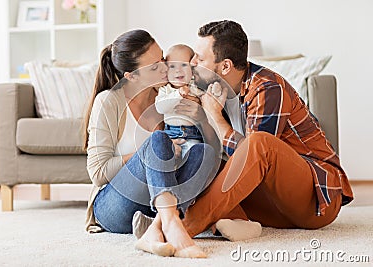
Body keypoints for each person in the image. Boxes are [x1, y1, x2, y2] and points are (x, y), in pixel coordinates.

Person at [177, 20, 354, 239]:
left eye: (199, 58)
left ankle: (182, 228)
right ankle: (238, 223)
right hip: (273, 207)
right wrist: (200, 114)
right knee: (203, 155)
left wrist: (214, 115)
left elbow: (253, 159)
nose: (192, 62)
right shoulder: (211, 91)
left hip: (314, 200)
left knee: (260, 143)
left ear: (225, 66)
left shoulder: (267, 87)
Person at [83, 29, 220, 258]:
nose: (166, 68)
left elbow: (214, 154)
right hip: (114, 208)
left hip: (153, 208)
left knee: (203, 151)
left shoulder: (169, 97)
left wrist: (201, 118)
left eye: (162, 59)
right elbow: (98, 173)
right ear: (132, 76)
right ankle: (172, 225)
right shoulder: (108, 101)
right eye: (155, 66)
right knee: (158, 141)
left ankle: (156, 228)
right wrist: (148, 154)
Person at [155, 44, 209, 157]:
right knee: (165, 156)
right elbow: (160, 107)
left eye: (184, 65)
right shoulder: (166, 90)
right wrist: (177, 94)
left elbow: (208, 104)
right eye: (172, 66)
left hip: (194, 135)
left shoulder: (196, 88)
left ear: (193, 69)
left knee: (196, 154)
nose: (178, 70)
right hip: (170, 134)